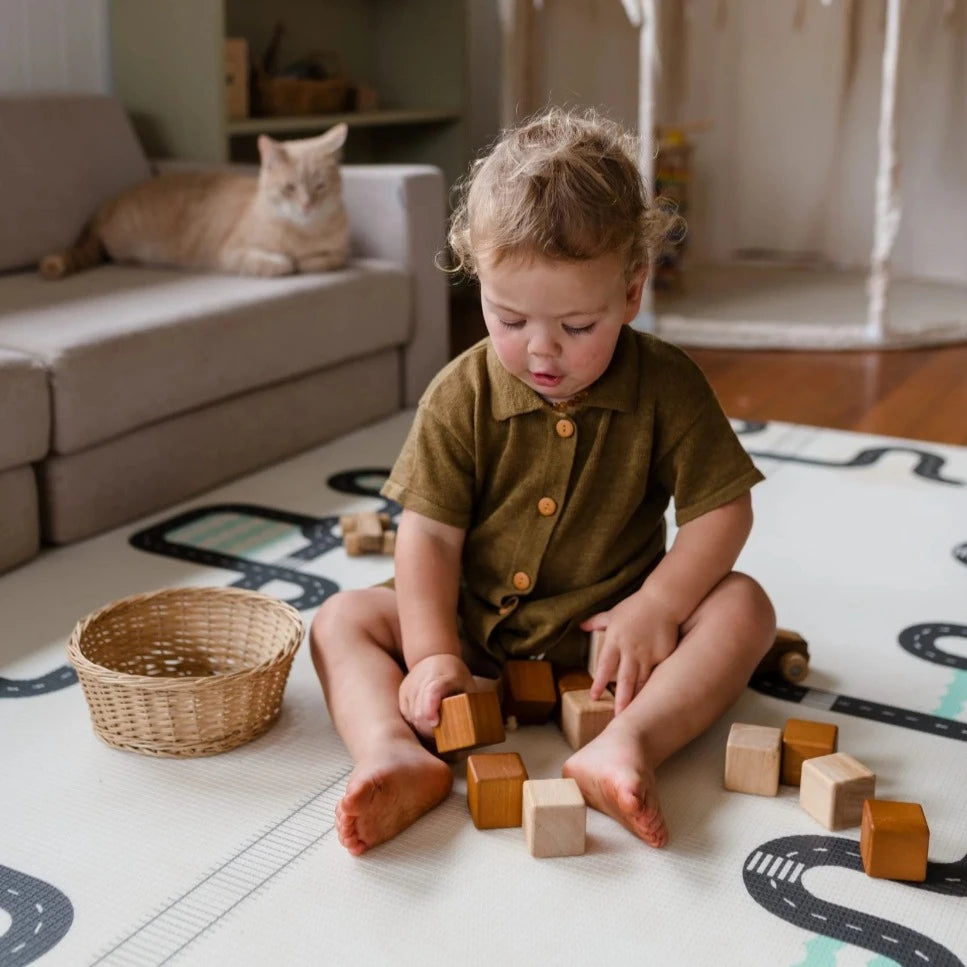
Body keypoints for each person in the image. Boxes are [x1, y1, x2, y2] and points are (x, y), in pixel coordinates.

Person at [310, 107, 776, 856]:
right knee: (341, 619)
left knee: (744, 606)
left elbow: (723, 510)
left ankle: (626, 744)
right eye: (508, 317)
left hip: (611, 643)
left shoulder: (668, 385)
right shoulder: (459, 393)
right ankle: (389, 752)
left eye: (578, 327)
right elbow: (427, 535)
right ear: (480, 283)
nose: (540, 351)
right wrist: (433, 653)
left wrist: (657, 605)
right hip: (474, 635)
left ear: (630, 292)